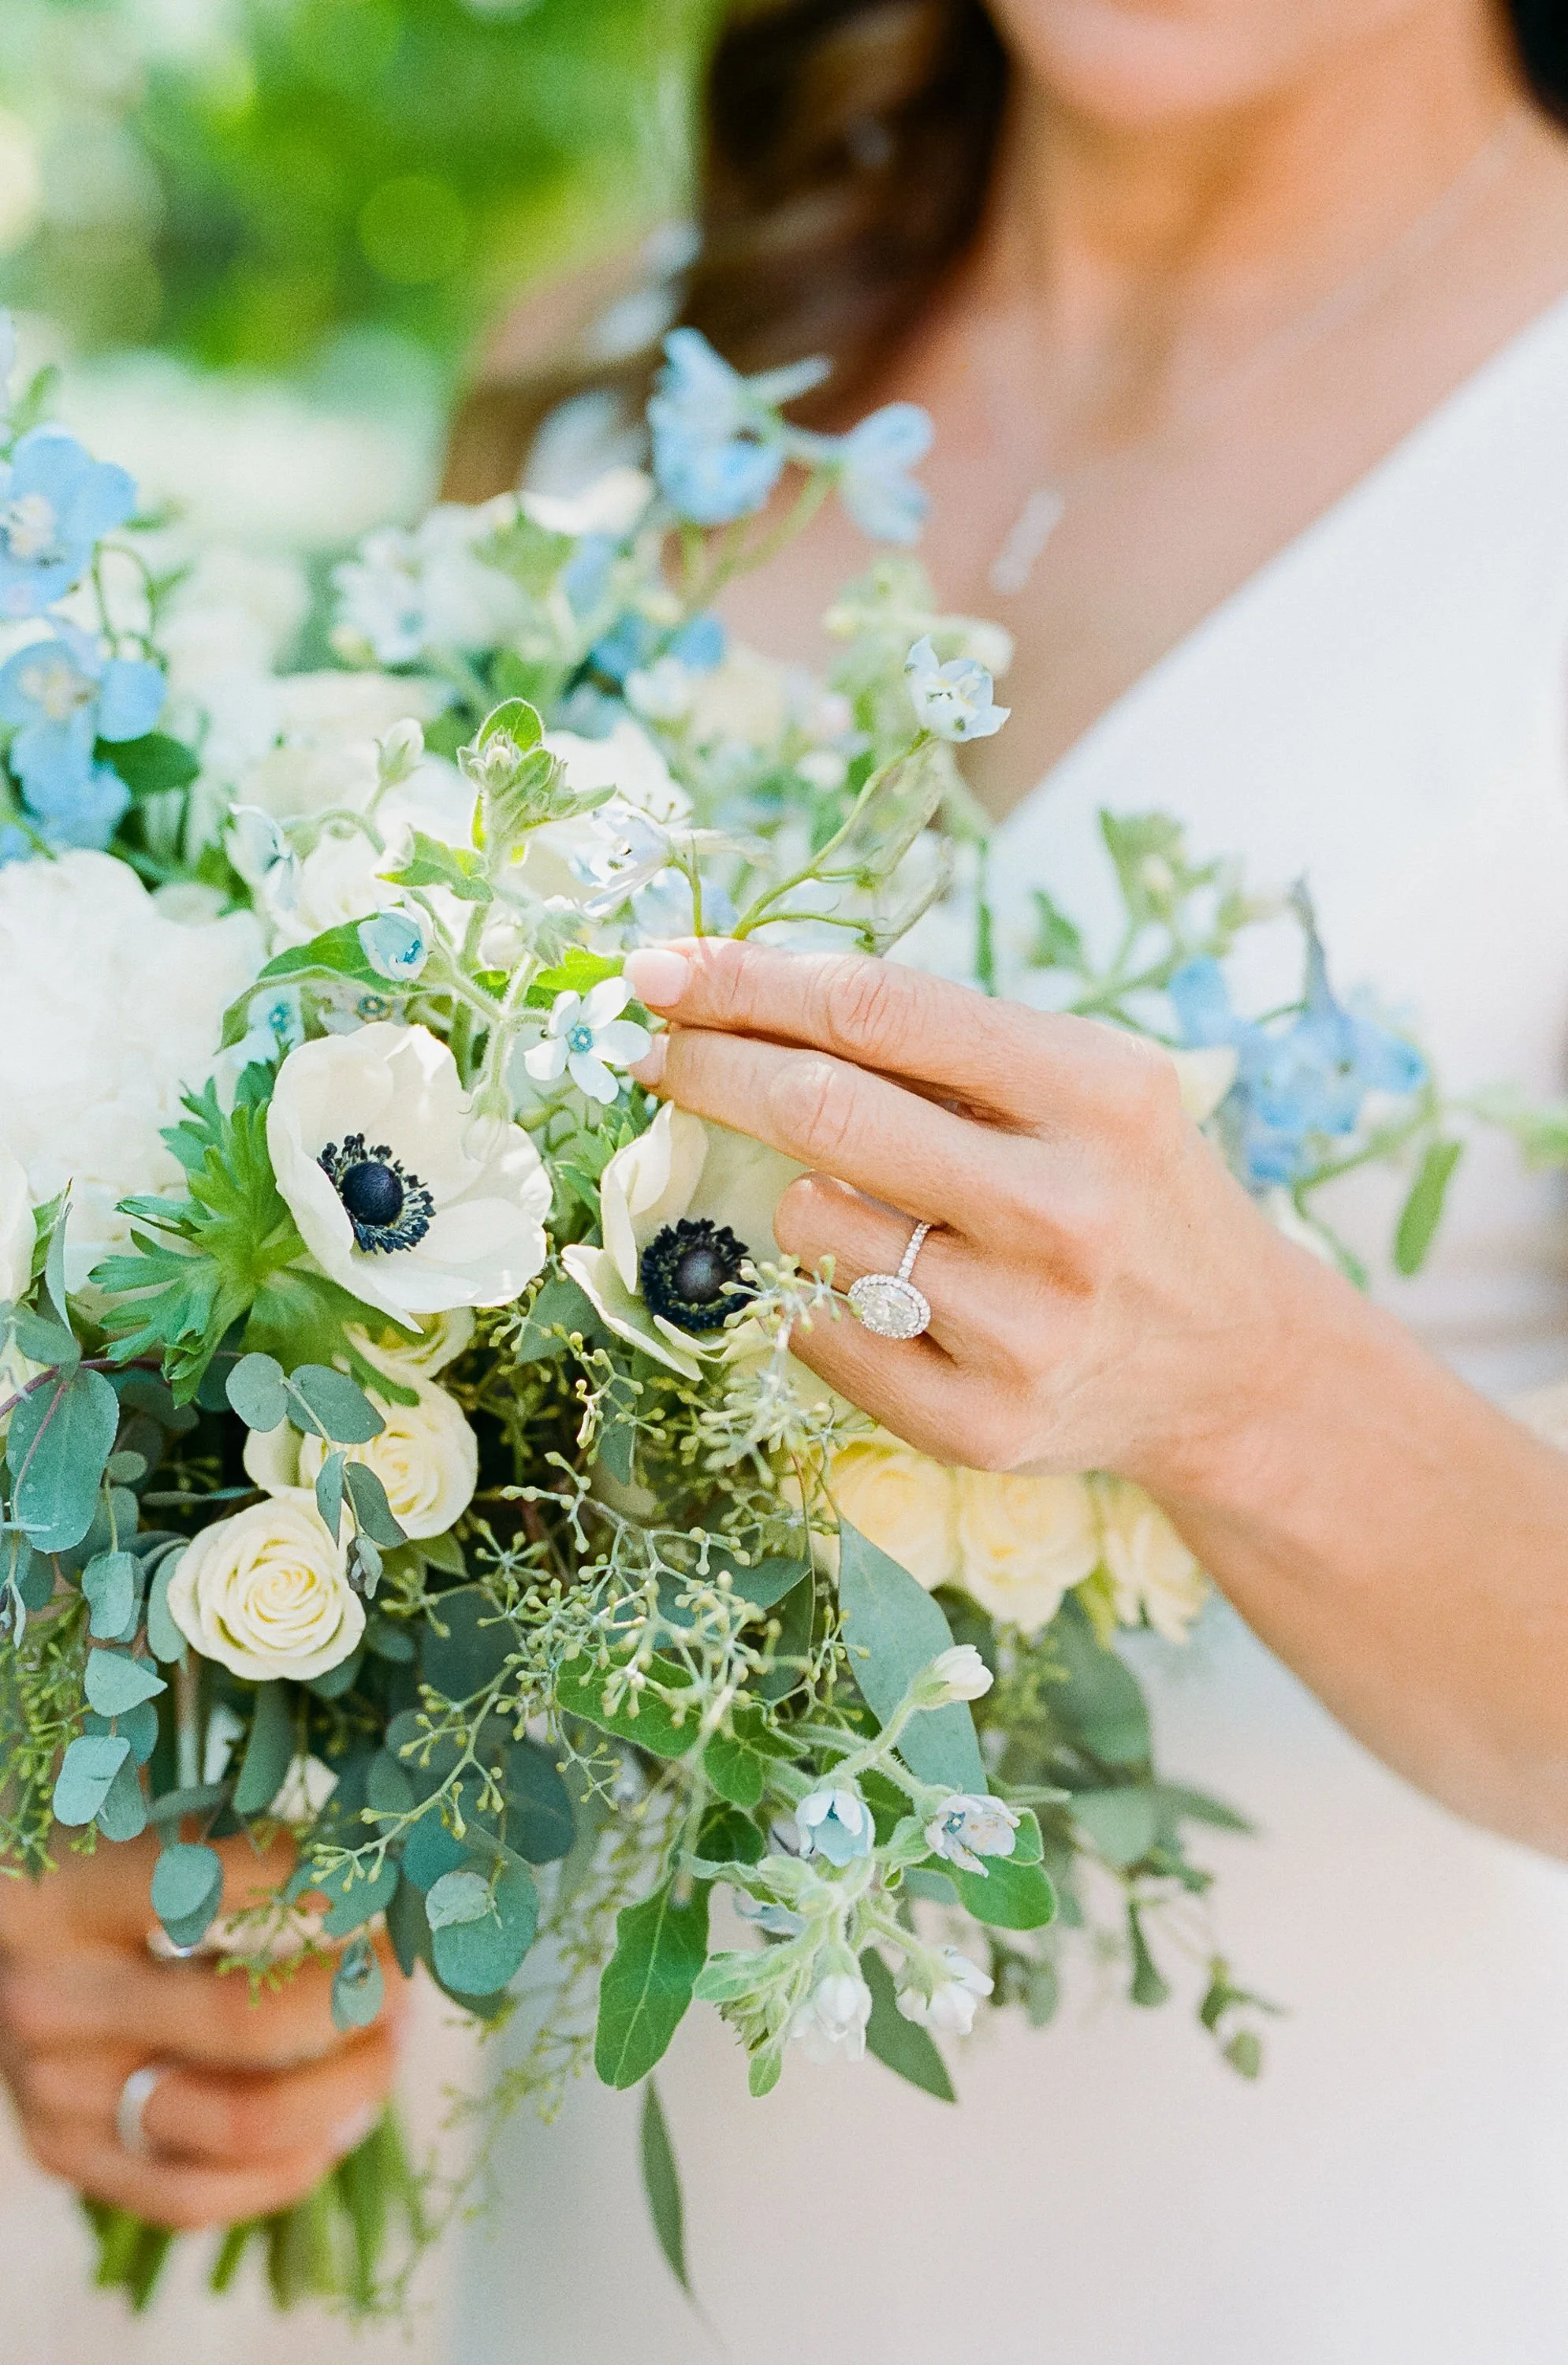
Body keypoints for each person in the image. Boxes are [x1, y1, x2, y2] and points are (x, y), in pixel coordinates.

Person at [6, 2, 1568, 2356]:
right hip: (590, 2263)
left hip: (1309, 2263)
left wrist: (1250, 1391)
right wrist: (133, 1824)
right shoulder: (634, 372)